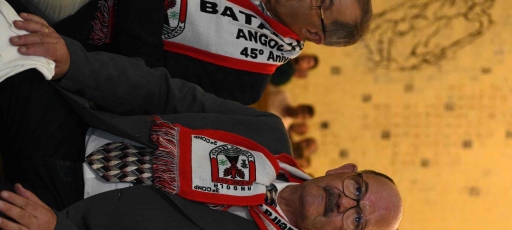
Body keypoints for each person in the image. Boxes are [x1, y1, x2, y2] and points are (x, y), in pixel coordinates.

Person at [0, 10, 403, 230]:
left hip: (61, 223)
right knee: (14, 39)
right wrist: (76, 64)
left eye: (357, 220)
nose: (344, 202)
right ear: (344, 170)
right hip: (78, 130)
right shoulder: (267, 132)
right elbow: (164, 94)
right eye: (357, 188)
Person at [16, 0, 372, 105]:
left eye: (322, 3)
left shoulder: (246, 80)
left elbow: (142, 70)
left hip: (87, 23)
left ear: (313, 34)